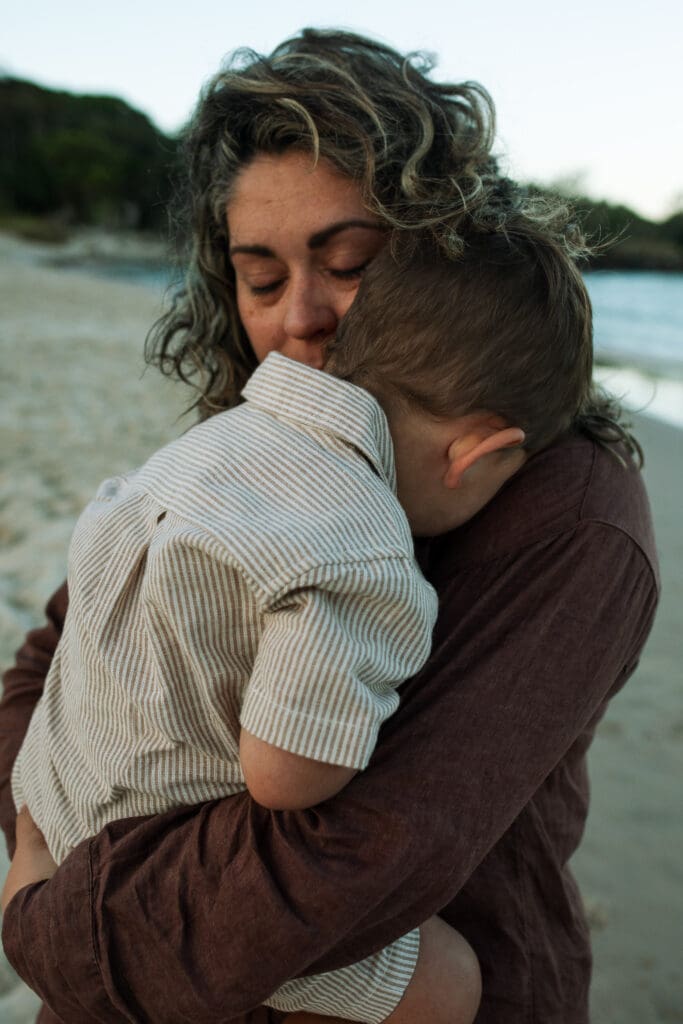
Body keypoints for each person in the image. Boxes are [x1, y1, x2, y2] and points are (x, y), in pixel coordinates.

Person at [0, 29, 658, 1024]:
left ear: (445, 253)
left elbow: (350, 858)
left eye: (348, 262)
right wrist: (42, 846)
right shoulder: (251, 447)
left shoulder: (564, 513)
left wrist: (46, 910)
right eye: (260, 280)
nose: (300, 317)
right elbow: (39, 674)